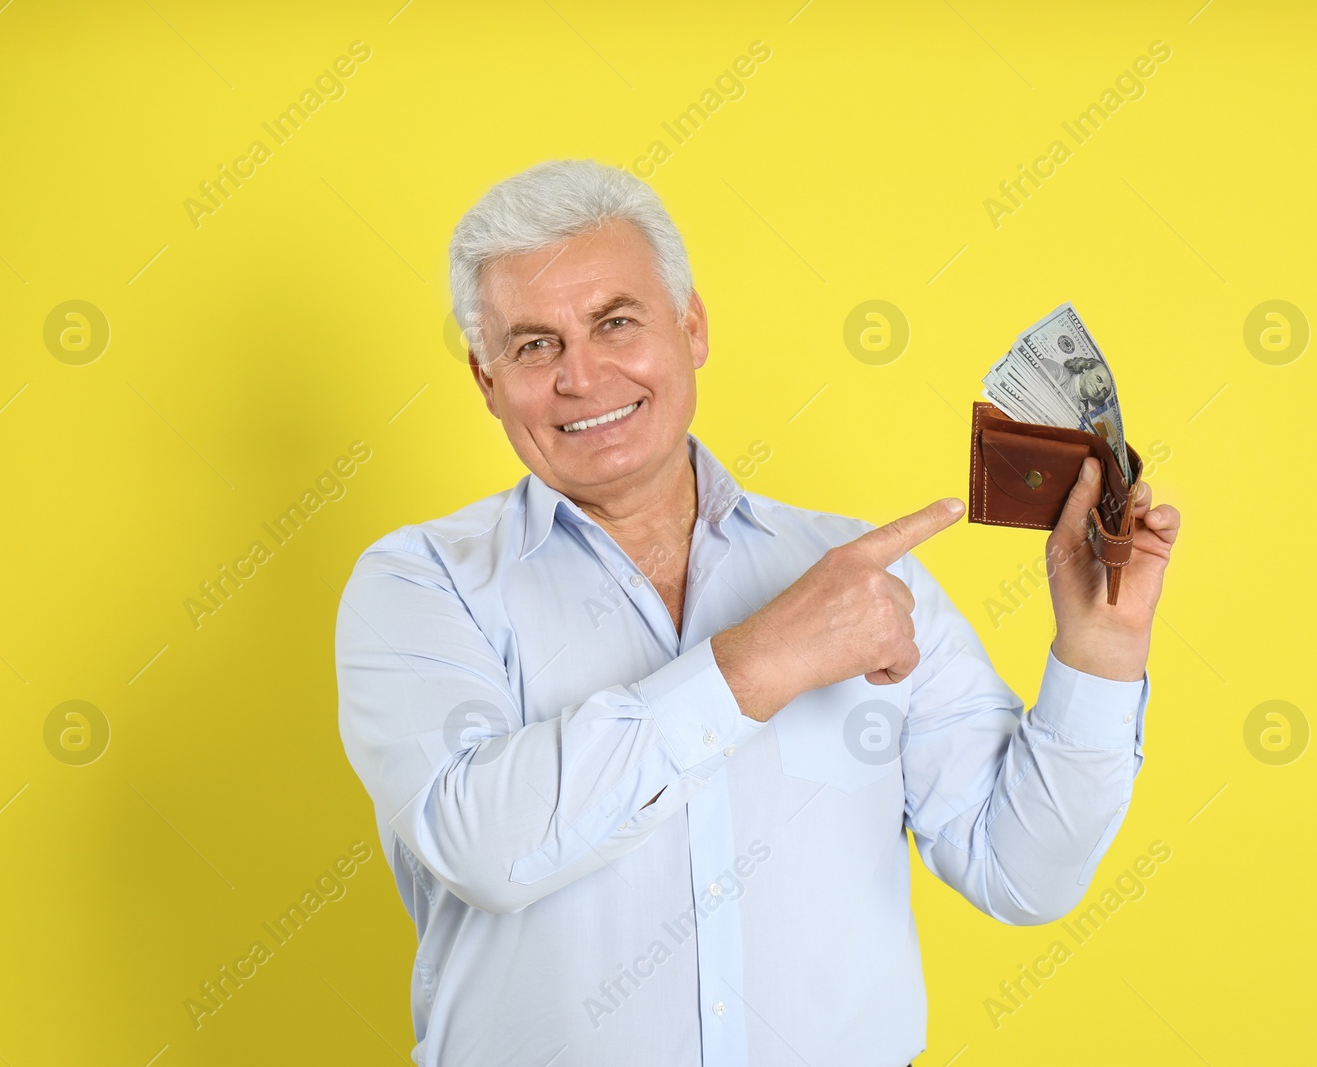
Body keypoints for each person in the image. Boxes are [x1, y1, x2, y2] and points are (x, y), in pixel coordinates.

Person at [336, 160, 1181, 1065]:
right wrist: (762, 660)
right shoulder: (420, 585)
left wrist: (1099, 653)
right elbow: (484, 847)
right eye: (534, 345)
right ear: (486, 378)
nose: (580, 375)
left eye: (615, 322)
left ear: (691, 327)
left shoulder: (860, 576)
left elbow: (1023, 870)